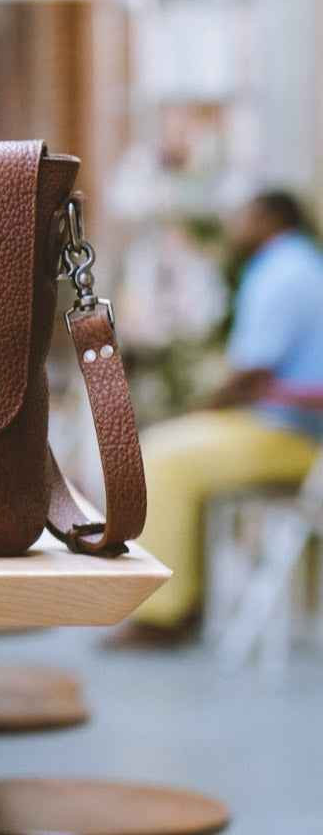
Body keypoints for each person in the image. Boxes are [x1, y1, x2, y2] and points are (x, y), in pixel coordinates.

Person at [111, 191, 323, 647]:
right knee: (171, 446)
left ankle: (164, 615)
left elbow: (253, 371)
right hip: (286, 426)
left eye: (244, 216)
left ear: (269, 219)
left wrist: (200, 410)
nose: (234, 226)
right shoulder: (301, 262)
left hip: (295, 434)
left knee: (163, 456)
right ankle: (185, 598)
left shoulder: (283, 271)